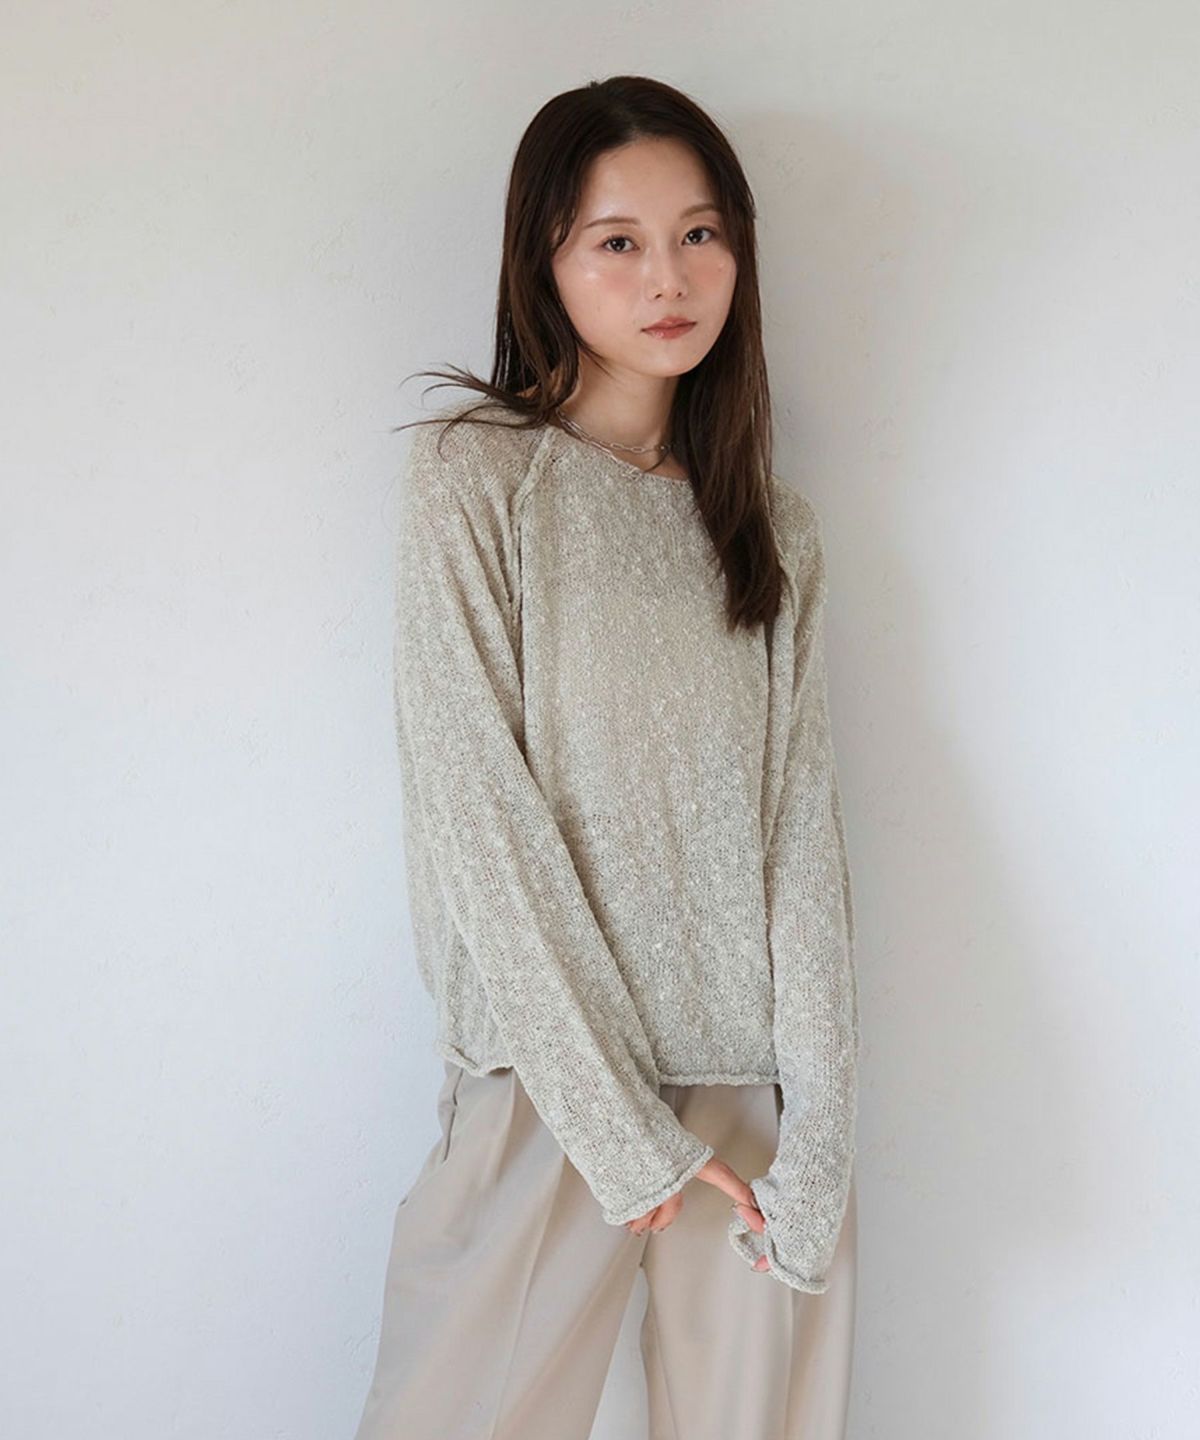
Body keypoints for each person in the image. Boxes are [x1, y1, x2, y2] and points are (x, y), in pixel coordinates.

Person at [351, 74, 860, 1440]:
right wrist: (621, 1128)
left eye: (700, 234)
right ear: (545, 262)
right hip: (547, 1082)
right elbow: (476, 809)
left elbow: (798, 836)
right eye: (617, 241)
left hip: (747, 1099)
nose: (669, 278)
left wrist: (819, 1141)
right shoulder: (479, 475)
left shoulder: (773, 531)